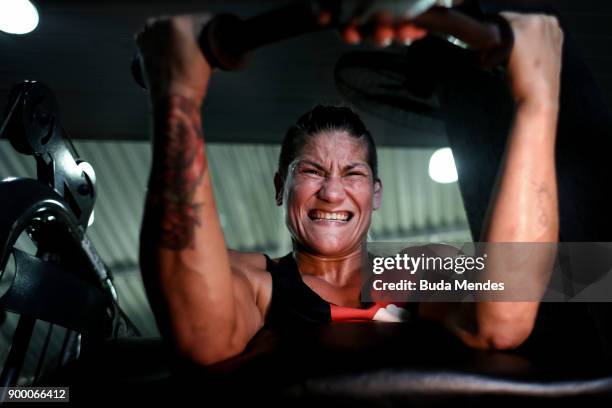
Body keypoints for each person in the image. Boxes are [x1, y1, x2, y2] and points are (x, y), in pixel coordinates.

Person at [137, 9, 563, 365]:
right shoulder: (252, 279)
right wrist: (179, 95)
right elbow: (201, 337)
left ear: (375, 194)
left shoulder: (421, 271)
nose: (333, 192)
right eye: (311, 171)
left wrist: (538, 100)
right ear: (279, 187)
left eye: (353, 174)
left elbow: (504, 321)